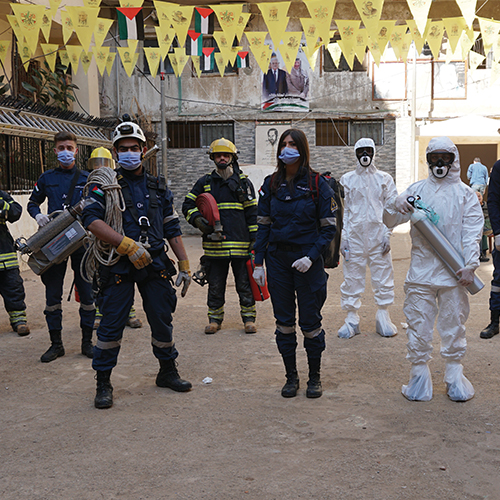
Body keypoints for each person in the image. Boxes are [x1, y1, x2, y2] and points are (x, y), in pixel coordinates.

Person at [82, 121, 192, 409]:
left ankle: (167, 372)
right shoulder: (104, 184)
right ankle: (103, 382)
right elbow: (91, 220)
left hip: (154, 262)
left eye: (134, 148)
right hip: (118, 262)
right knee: (111, 324)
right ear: (115, 153)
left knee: (161, 318)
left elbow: (171, 225)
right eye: (123, 149)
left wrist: (183, 262)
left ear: (144, 150)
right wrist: (125, 244)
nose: (129, 153)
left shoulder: (158, 185)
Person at [383, 136, 483, 402]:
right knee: (418, 325)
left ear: (454, 160)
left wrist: (471, 265)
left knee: (454, 325)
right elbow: (390, 220)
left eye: (445, 158)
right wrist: (396, 202)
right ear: (427, 159)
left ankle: (454, 377)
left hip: (455, 274)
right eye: (434, 158)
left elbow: (472, 233)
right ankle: (419, 379)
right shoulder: (416, 191)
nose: (440, 163)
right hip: (421, 273)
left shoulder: (465, 195)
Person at [252, 128, 337, 399]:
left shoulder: (317, 184)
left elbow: (328, 229)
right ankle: (291, 377)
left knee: (311, 324)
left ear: (302, 149)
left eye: (292, 144)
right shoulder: (270, 184)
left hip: (307, 261)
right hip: (278, 261)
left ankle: (314, 377)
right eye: (283, 144)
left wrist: (311, 257)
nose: (287, 148)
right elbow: (263, 226)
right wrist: (258, 263)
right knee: (284, 323)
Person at [28, 131, 95, 362]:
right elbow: (32, 203)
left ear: (76, 150)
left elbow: (99, 204)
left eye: (70, 147)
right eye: (61, 147)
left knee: (87, 292)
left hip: (81, 241)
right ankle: (56, 345)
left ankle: (87, 343)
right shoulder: (46, 178)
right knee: (52, 293)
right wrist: (38, 216)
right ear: (55, 151)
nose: (65, 151)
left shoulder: (87, 178)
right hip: (55, 240)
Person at [182, 138, 258, 335]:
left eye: (226, 155)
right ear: (213, 158)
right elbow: (187, 206)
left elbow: (252, 214)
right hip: (215, 248)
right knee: (215, 286)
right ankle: (214, 320)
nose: (222, 158)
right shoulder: (205, 183)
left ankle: (249, 319)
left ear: (232, 157)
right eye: (218, 155)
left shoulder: (243, 183)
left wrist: (255, 239)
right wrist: (197, 220)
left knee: (244, 285)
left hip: (241, 247)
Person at [338, 137, 398, 339]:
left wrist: (387, 234)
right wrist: (343, 238)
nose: (365, 156)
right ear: (356, 154)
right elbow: (344, 212)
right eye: (361, 151)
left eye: (368, 151)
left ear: (374, 152)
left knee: (383, 276)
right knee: (352, 277)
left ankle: (383, 315)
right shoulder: (347, 179)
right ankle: (351, 318)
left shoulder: (385, 179)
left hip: (377, 236)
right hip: (354, 237)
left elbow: (392, 210)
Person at [87, 147, 143, 330]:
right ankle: (99, 311)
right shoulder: (91, 184)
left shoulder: (116, 182)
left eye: (103, 163)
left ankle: (130, 311)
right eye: (96, 163)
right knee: (99, 275)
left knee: (125, 275)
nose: (100, 167)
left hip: (120, 237)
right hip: (98, 240)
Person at [0, 190, 29, 336]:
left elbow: (15, 212)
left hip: (4, 253)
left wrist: (2, 205)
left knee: (13, 287)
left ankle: (19, 321)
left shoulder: (1, 195)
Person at [480, 157, 500, 339]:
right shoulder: (499, 167)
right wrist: (498, 232)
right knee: (499, 281)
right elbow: (492, 201)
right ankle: (495, 322)